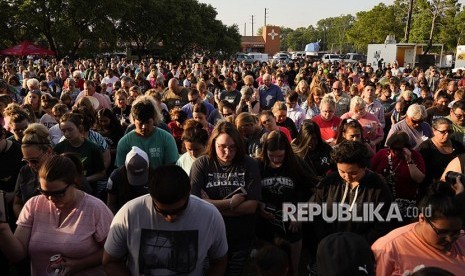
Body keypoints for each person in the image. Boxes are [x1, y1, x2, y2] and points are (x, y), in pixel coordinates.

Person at [103, 165, 228, 275]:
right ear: (151, 196)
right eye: (163, 212)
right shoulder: (129, 213)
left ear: (189, 192)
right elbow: (110, 262)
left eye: (179, 210)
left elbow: (219, 262)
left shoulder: (210, 216)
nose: (170, 218)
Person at [0, 155, 114, 275]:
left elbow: (113, 251)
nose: (50, 199)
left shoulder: (95, 209)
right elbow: (17, 255)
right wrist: (3, 229)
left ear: (74, 183)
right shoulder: (33, 205)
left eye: (58, 193)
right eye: (44, 192)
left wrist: (79, 264)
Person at [190, 121, 261, 276]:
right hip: (209, 236)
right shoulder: (202, 164)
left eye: (232, 147)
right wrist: (230, 203)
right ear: (213, 144)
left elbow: (251, 207)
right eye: (222, 146)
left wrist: (211, 204)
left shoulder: (249, 164)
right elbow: (195, 205)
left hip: (240, 236)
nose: (227, 152)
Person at [256, 130, 316, 276]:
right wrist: (259, 205)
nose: (276, 160)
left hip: (291, 224)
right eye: (272, 156)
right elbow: (249, 191)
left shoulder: (295, 163)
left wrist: (300, 213)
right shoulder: (258, 164)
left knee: (292, 269)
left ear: (286, 152)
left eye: (280, 156)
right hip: (266, 224)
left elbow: (316, 192)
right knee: (268, 267)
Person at [312, 140, 393, 245]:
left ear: (364, 167)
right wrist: (328, 241)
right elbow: (318, 214)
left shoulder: (378, 188)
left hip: (363, 248)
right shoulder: (329, 183)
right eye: (342, 171)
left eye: (353, 173)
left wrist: (357, 244)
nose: (347, 177)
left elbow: (383, 224)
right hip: (330, 245)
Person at [371, 190, 465, 275]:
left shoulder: (462, 240)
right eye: (442, 232)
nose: (449, 239)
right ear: (422, 219)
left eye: (456, 232)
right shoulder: (388, 249)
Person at [371, 131, 425, 221]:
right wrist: (379, 178)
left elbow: (419, 179)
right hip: (383, 201)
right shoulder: (382, 154)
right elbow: (369, 172)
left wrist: (409, 160)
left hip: (406, 202)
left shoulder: (415, 156)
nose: (394, 151)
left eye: (399, 149)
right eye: (392, 148)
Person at [115, 95, 178, 169]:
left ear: (154, 119)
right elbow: (120, 170)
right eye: (140, 123)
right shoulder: (124, 142)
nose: (144, 127)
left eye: (148, 122)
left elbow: (172, 168)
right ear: (134, 121)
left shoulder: (167, 138)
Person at [54, 112, 106, 195]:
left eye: (70, 130)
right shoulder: (59, 148)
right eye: (63, 131)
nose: (67, 134)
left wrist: (84, 180)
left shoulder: (92, 148)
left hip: (87, 192)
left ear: (79, 128)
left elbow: (101, 173)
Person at [418, 118, 465, 196]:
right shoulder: (425, 148)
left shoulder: (457, 145)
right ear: (434, 130)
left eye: (449, 132)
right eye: (443, 132)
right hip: (433, 191)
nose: (447, 135)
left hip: (454, 191)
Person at [106, 146, 150, 214]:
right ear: (126, 167)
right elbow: (111, 204)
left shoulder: (154, 175)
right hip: (123, 213)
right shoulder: (115, 177)